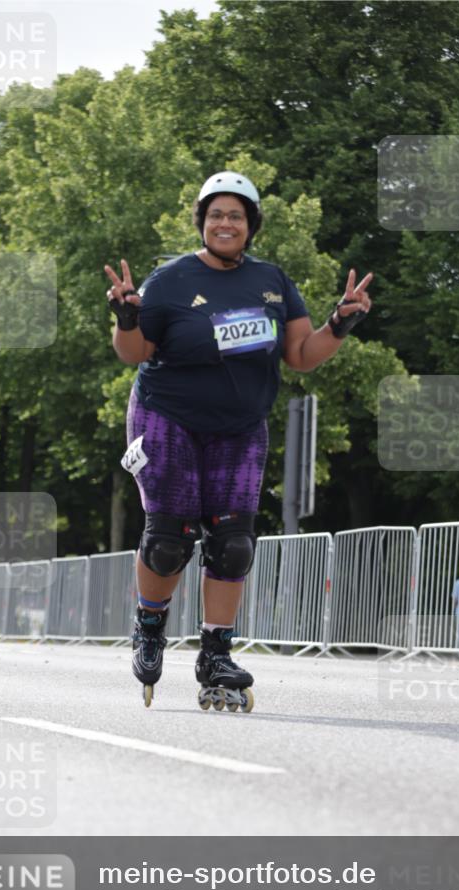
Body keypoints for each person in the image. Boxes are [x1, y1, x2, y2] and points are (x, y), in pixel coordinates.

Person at [104, 171, 373, 709]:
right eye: (216, 215)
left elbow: (301, 356)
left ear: (251, 226)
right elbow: (133, 353)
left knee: (232, 544)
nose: (225, 223)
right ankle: (150, 627)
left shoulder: (271, 281)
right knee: (170, 538)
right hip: (166, 416)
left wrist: (338, 324)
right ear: (202, 223)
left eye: (236, 215)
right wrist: (127, 318)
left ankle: (216, 653)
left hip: (241, 425)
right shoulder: (171, 279)